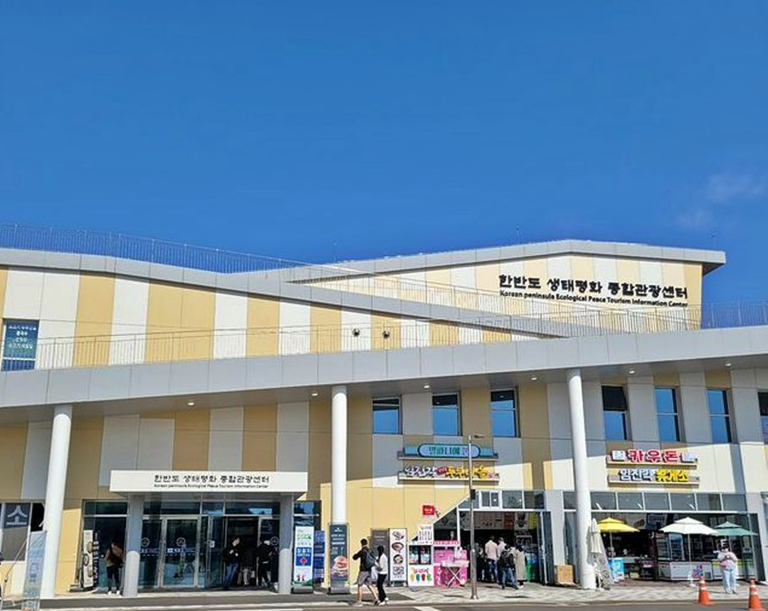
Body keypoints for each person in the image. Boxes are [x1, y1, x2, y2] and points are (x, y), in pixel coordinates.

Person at [352, 538, 379, 606]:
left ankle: (359, 601)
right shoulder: (370, 550)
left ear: (361, 544)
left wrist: (355, 554)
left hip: (363, 571)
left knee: (360, 585)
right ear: (367, 543)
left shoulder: (362, 551)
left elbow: (355, 558)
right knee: (369, 585)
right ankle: (376, 599)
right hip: (369, 570)